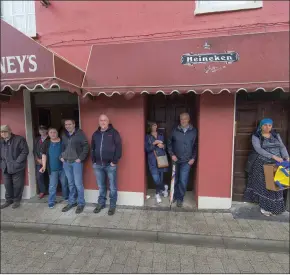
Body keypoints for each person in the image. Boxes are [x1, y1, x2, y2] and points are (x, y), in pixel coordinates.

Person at [244, 118, 289, 216]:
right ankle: (264, 207)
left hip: (277, 164)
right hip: (262, 164)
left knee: (276, 184)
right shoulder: (256, 136)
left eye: (269, 125)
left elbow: (282, 147)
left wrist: (286, 156)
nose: (267, 127)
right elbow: (258, 149)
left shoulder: (275, 135)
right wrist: (273, 156)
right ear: (261, 126)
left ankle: (275, 207)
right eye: (265, 125)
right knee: (266, 186)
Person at [91, 114, 122, 216]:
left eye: (105, 120)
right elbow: (92, 148)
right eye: (101, 120)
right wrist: (93, 160)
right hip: (98, 165)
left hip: (110, 165)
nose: (103, 122)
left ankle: (112, 205)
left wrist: (114, 161)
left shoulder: (114, 133)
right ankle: (101, 203)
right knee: (101, 186)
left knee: (112, 187)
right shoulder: (95, 134)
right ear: (99, 122)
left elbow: (119, 147)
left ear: (108, 122)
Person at [167, 113, 197, 207]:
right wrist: (172, 154)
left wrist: (193, 158)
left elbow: (196, 146)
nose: (183, 121)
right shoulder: (174, 130)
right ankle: (174, 196)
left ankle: (180, 198)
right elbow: (169, 143)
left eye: (185, 119)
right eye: (181, 119)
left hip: (187, 161)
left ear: (188, 119)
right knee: (175, 180)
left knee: (183, 181)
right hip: (175, 160)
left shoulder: (193, 131)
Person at [60, 119, 89, 214]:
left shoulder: (80, 134)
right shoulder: (64, 135)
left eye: (69, 124)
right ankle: (72, 202)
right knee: (70, 184)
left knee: (78, 184)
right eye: (66, 124)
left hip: (76, 163)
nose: (67, 126)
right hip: (66, 163)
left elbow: (86, 147)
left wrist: (80, 158)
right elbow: (62, 147)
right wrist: (61, 156)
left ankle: (81, 203)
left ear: (74, 124)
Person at [39, 128, 69, 209]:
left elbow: (67, 152)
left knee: (64, 183)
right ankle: (51, 201)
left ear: (57, 133)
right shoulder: (47, 143)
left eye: (54, 132)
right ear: (48, 134)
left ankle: (66, 197)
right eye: (51, 132)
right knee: (52, 185)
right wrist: (44, 166)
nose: (53, 134)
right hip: (52, 169)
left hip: (63, 168)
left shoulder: (62, 141)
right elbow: (44, 155)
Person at [0, 125, 29, 209]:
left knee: (18, 185)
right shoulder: (1, 141)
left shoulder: (19, 139)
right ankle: (8, 200)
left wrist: (17, 163)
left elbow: (25, 151)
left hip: (17, 167)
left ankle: (16, 200)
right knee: (7, 184)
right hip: (5, 167)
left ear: (9, 131)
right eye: (2, 132)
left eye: (5, 131)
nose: (3, 133)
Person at [145, 121, 169, 204]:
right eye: (152, 125)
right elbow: (147, 149)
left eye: (155, 125)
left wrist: (163, 146)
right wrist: (154, 144)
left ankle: (157, 194)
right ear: (150, 127)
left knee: (161, 178)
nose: (154, 127)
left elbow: (166, 146)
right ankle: (164, 188)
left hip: (161, 159)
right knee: (156, 179)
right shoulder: (147, 137)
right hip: (152, 160)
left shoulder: (161, 135)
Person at [33, 125, 49, 199]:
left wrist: (45, 160)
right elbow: (34, 150)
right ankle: (42, 191)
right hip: (39, 161)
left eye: (43, 130)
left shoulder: (50, 138)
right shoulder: (37, 139)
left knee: (49, 176)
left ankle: (50, 190)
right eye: (40, 130)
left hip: (48, 161)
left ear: (47, 130)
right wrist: (38, 159)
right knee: (39, 177)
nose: (42, 131)